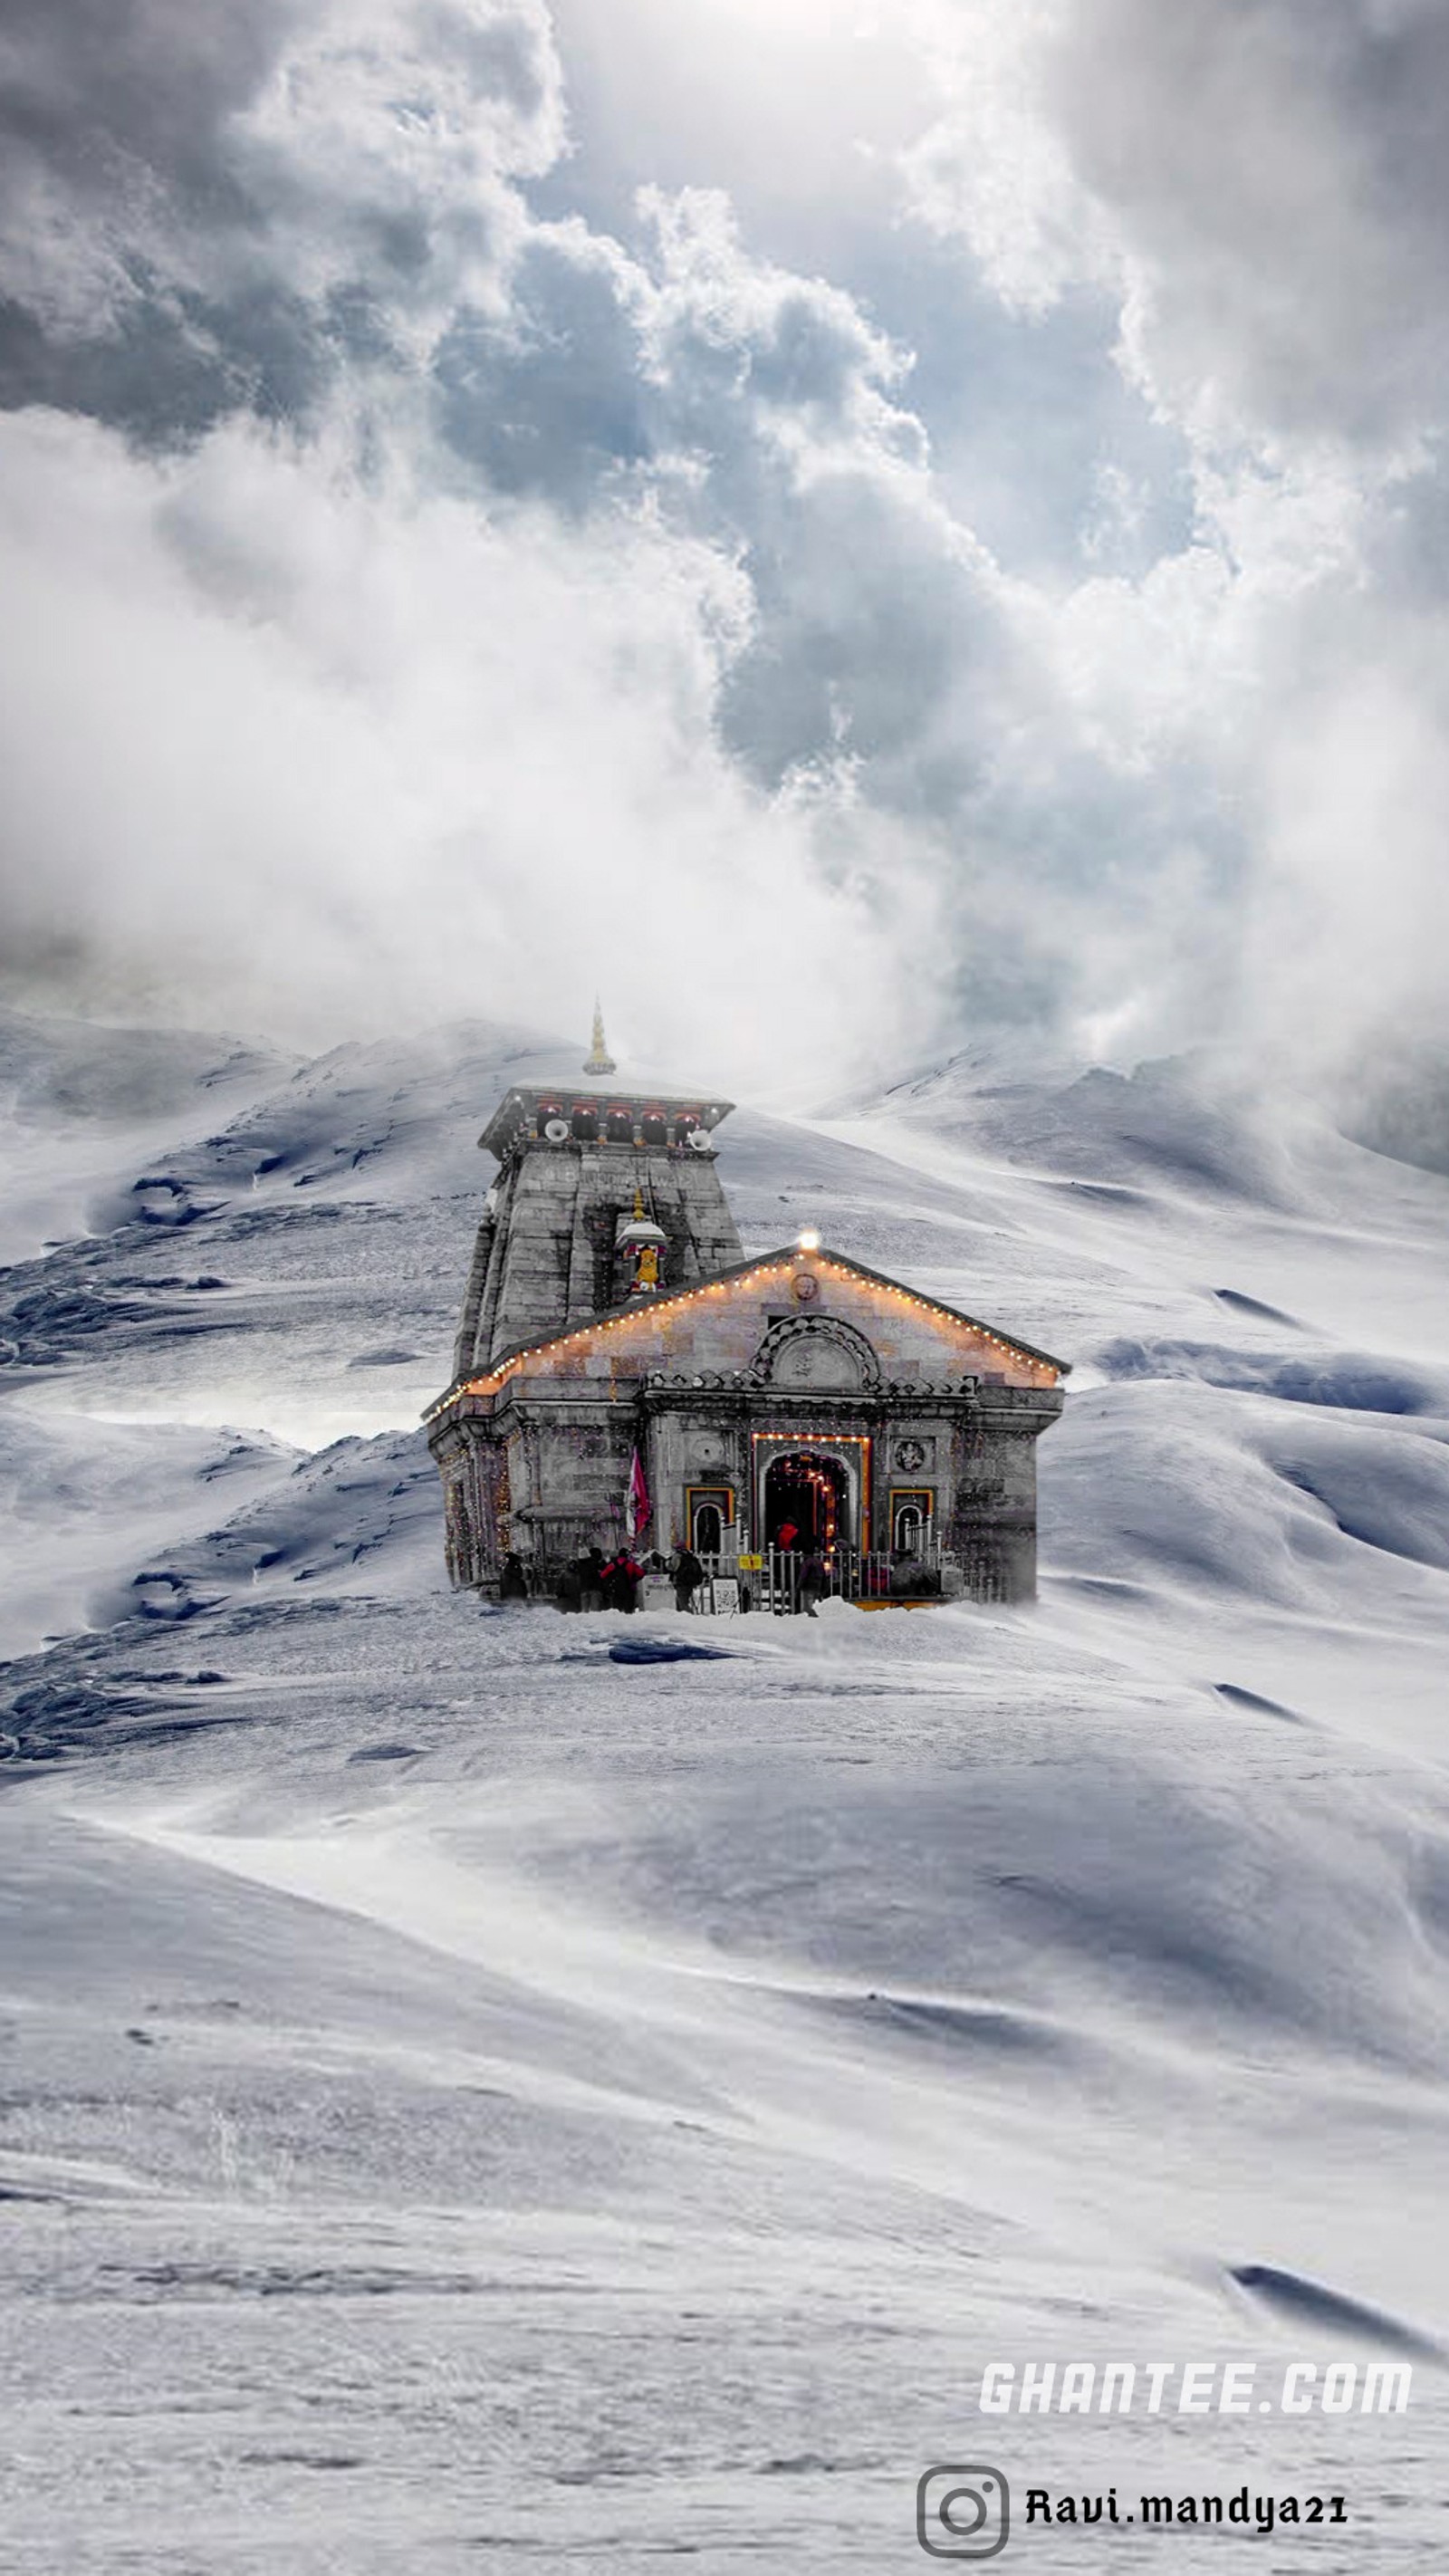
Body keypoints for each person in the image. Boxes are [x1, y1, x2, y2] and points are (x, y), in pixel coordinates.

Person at [673, 1544, 705, 1614]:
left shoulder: (678, 1556)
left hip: (681, 1581)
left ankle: (689, 1616)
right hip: (690, 1582)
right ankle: (683, 1616)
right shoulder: (690, 1556)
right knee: (684, 1600)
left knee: (682, 1603)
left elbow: (673, 1567)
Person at [577, 1545, 605, 1613]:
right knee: (594, 1610)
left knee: (585, 1609)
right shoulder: (594, 1562)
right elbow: (602, 1569)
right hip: (594, 1588)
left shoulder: (579, 1564)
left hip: (584, 1588)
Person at [800, 1552, 826, 1618]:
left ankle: (813, 1617)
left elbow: (803, 1575)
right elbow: (823, 1575)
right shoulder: (819, 1562)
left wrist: (799, 1585)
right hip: (817, 1585)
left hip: (808, 1585)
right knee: (812, 1602)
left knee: (807, 1606)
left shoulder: (807, 1562)